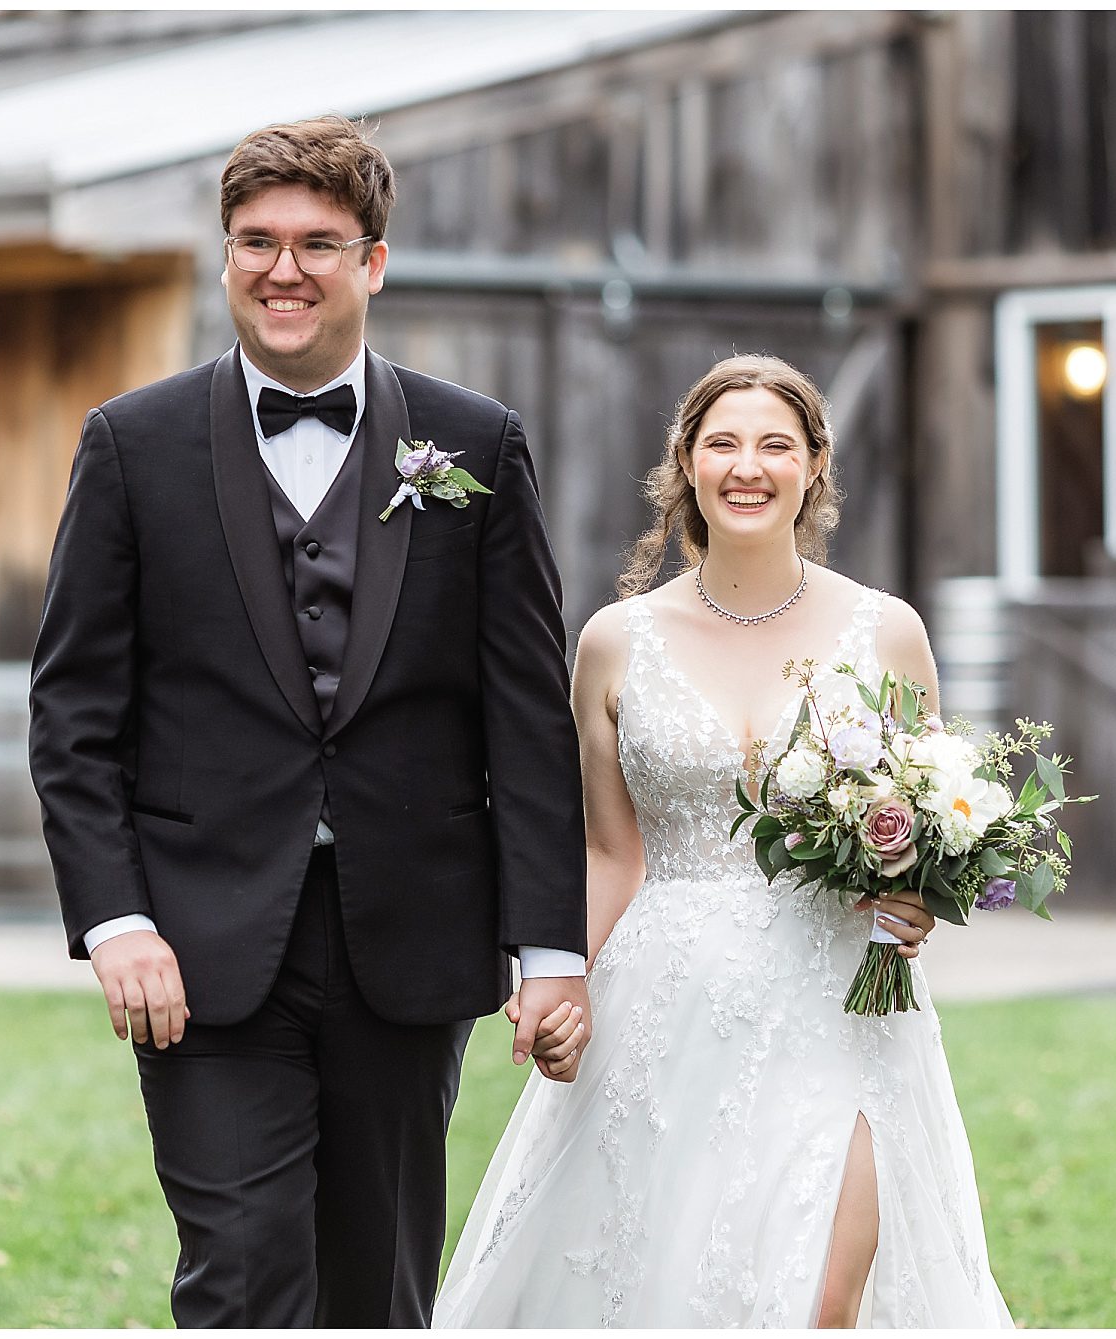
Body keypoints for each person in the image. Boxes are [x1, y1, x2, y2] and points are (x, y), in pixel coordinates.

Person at [27, 115, 592, 1329]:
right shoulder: (131, 445)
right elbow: (72, 714)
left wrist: (551, 948)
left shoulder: (474, 443)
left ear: (371, 262)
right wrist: (116, 921)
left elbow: (526, 719)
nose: (283, 269)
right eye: (256, 242)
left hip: (410, 936)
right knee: (241, 1279)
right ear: (226, 256)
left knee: (377, 1289)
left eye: (317, 244)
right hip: (199, 944)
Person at [434, 355, 1014, 1328]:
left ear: (814, 465)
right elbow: (610, 853)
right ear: (687, 464)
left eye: (775, 445)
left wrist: (915, 896)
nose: (748, 466)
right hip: (663, 1009)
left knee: (820, 1297)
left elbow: (923, 819)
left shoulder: (887, 632)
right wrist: (558, 977)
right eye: (723, 444)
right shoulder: (614, 642)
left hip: (841, 1002)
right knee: (668, 1290)